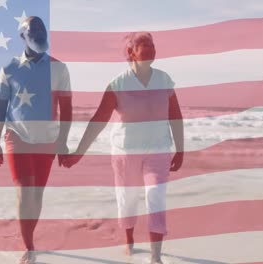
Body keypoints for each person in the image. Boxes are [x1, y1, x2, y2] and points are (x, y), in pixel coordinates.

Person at [63, 32, 183, 264]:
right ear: (131, 52)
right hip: (125, 152)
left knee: (155, 196)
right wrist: (79, 152)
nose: (150, 48)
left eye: (152, 45)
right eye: (143, 45)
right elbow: (99, 119)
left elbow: (175, 116)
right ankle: (129, 241)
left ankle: (155, 257)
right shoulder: (118, 84)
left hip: (158, 149)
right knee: (127, 199)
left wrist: (181, 149)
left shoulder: (164, 80)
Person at [0, 16, 72, 264]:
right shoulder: (9, 69)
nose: (38, 36)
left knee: (36, 196)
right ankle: (29, 246)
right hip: (17, 137)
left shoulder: (59, 68)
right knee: (26, 193)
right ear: (22, 37)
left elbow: (67, 108)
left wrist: (63, 141)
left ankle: (29, 235)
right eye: (33, 33)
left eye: (41, 32)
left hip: (47, 140)